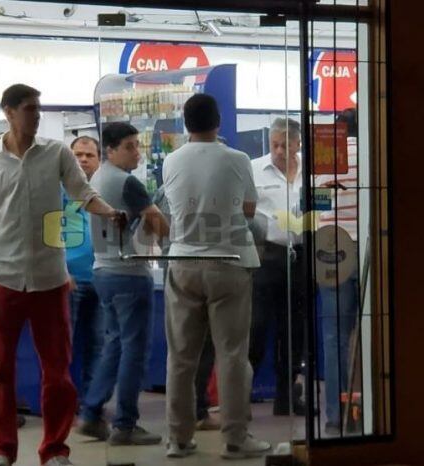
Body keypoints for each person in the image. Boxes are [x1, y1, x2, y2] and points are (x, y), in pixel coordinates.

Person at [0, 84, 123, 466]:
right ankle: (1, 449)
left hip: (49, 276)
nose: (36, 115)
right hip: (2, 274)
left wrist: (109, 213)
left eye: (38, 108)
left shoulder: (56, 152)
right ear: (8, 112)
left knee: (57, 371)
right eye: (29, 108)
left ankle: (55, 449)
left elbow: (82, 192)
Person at [162, 93, 271, 459]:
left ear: (185, 123)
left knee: (181, 356)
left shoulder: (171, 160)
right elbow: (250, 208)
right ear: (218, 121)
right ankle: (236, 439)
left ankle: (178, 439)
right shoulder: (238, 160)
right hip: (229, 261)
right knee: (232, 354)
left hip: (183, 263)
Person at [76, 122, 169, 446]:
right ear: (111, 150)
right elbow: (160, 223)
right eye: (130, 146)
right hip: (129, 274)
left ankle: (90, 413)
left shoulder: (98, 178)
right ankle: (125, 424)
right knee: (134, 350)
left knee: (114, 345)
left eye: (137, 145)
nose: (137, 152)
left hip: (103, 272)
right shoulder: (127, 182)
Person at [249, 117, 306, 416]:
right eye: (275, 145)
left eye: (287, 145)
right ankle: (242, 396)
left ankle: (286, 397)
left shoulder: (310, 172)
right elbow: (243, 211)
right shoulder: (255, 169)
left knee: (294, 330)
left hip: (301, 255)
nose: (281, 151)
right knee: (257, 327)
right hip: (266, 256)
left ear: (298, 144)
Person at [151, 186, 220, 431]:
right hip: (206, 266)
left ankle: (180, 423)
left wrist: (170, 250)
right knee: (205, 344)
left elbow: (155, 228)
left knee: (181, 346)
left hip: (175, 265)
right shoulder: (212, 187)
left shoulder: (165, 189)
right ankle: (198, 411)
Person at [315, 108, 363, 436]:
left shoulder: (322, 163)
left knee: (334, 337)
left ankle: (336, 413)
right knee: (377, 330)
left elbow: (315, 207)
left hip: (332, 248)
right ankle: (370, 408)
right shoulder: (375, 155)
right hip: (368, 245)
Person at [64, 136, 103, 412]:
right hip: (69, 280)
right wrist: (61, 271)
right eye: (78, 154)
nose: (83, 159)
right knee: (65, 347)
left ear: (99, 159)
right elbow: (49, 234)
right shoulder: (59, 191)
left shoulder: (103, 191)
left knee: (97, 345)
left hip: (99, 278)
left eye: (89, 155)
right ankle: (64, 403)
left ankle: (92, 405)